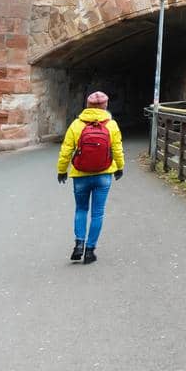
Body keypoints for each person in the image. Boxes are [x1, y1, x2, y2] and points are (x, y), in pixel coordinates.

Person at [56, 91, 124, 264]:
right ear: (105, 105)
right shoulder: (112, 125)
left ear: (87, 105)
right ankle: (90, 251)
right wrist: (119, 167)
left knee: (81, 209)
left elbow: (66, 150)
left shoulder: (76, 124)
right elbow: (117, 149)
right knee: (97, 213)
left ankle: (79, 244)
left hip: (80, 175)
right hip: (104, 174)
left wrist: (62, 170)